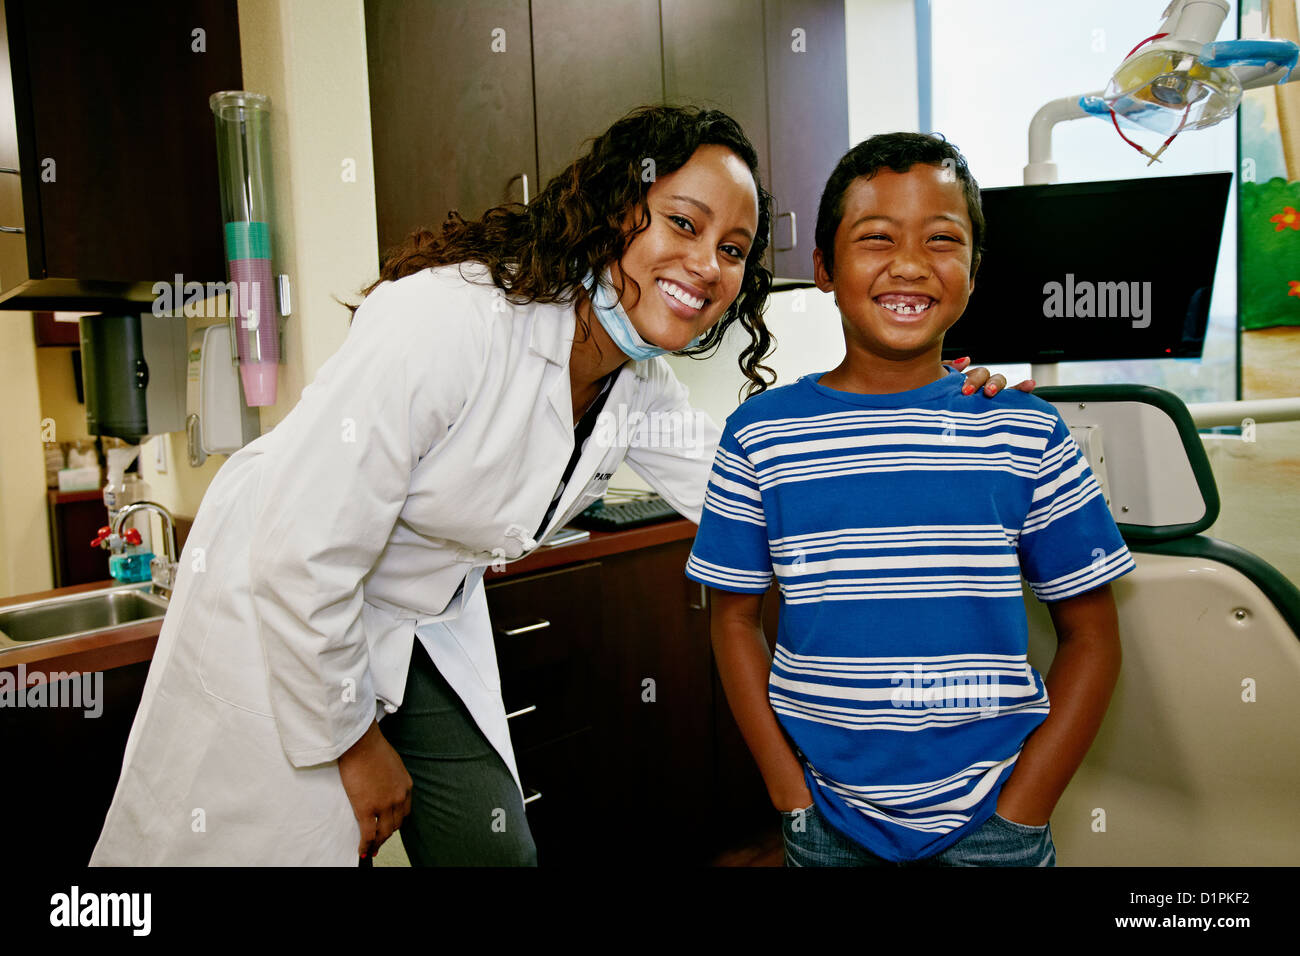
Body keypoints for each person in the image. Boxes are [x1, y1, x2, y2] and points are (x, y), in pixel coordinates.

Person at [90, 107, 1025, 867]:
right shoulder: (449, 320)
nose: (707, 264)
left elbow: (764, 493)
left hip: (418, 617)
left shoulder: (634, 385)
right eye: (683, 223)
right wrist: (351, 742)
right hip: (284, 596)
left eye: (735, 249)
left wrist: (935, 416)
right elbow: (305, 549)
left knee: (490, 849)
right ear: (619, 206)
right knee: (257, 849)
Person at [686, 132, 1135, 867]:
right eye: (876, 239)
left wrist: (1024, 810)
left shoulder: (1025, 430)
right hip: (826, 821)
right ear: (825, 268)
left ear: (973, 270)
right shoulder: (760, 435)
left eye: (942, 240)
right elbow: (733, 623)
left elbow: (1093, 636)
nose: (909, 265)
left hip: (994, 822)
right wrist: (788, 795)